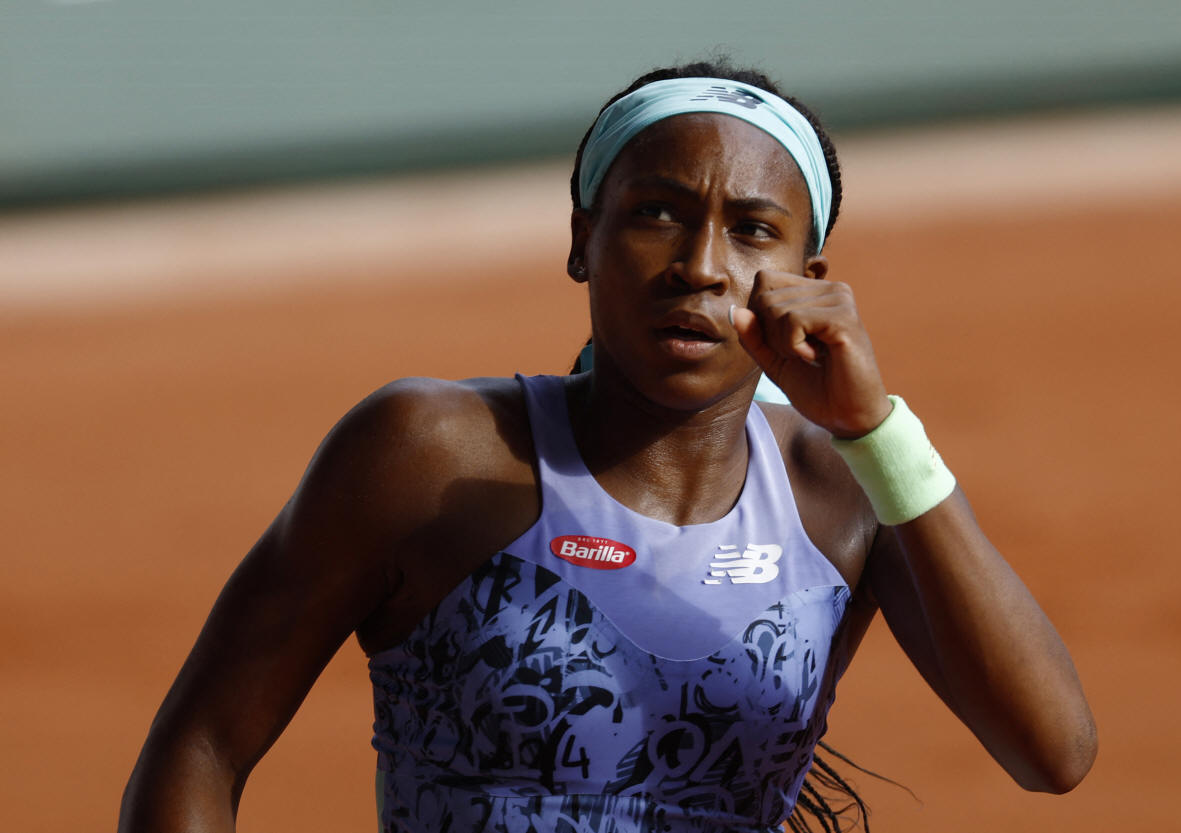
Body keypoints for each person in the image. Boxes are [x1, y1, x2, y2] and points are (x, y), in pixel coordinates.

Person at [119, 60, 1097, 833]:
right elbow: (201, 745)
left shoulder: (840, 489)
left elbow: (1051, 750)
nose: (701, 265)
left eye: (752, 230)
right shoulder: (428, 453)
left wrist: (877, 432)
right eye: (657, 212)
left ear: (807, 273)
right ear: (582, 240)